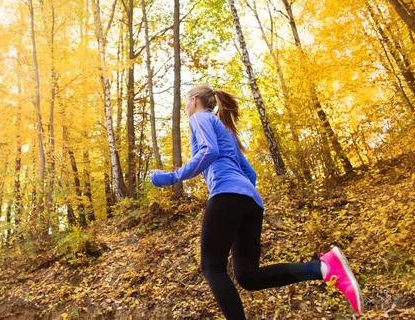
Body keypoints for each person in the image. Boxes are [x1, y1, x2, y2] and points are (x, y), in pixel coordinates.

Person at [150, 85, 363, 319]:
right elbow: (250, 174)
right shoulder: (225, 130)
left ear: (194, 101)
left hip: (226, 193)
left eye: (185, 104)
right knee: (247, 276)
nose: (185, 109)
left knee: (212, 267)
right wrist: (240, 197)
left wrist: (172, 177)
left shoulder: (200, 118)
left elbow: (208, 151)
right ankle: (322, 268)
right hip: (251, 201)